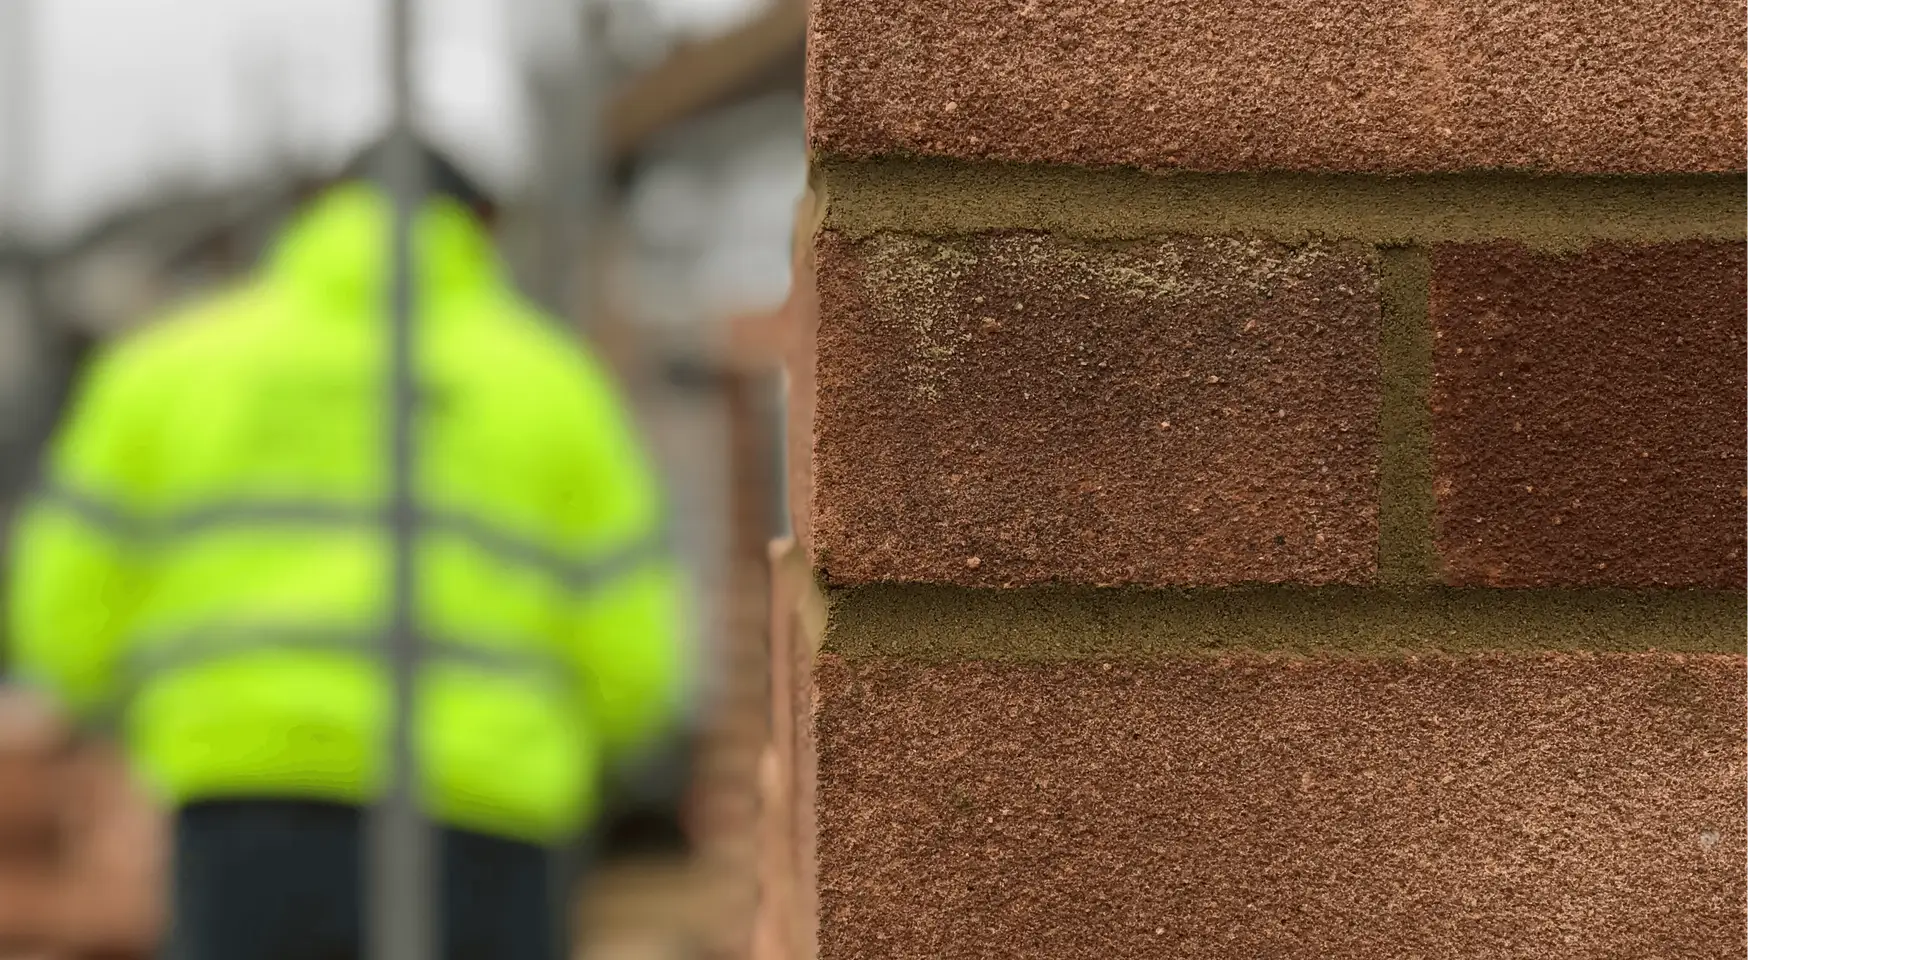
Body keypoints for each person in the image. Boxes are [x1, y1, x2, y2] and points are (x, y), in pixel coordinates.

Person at [3, 40, 688, 960]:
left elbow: (62, 615)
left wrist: (136, 715)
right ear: (480, 227)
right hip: (489, 822)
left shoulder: (168, 366)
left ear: (322, 209)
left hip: (244, 811)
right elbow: (635, 664)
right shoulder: (556, 387)